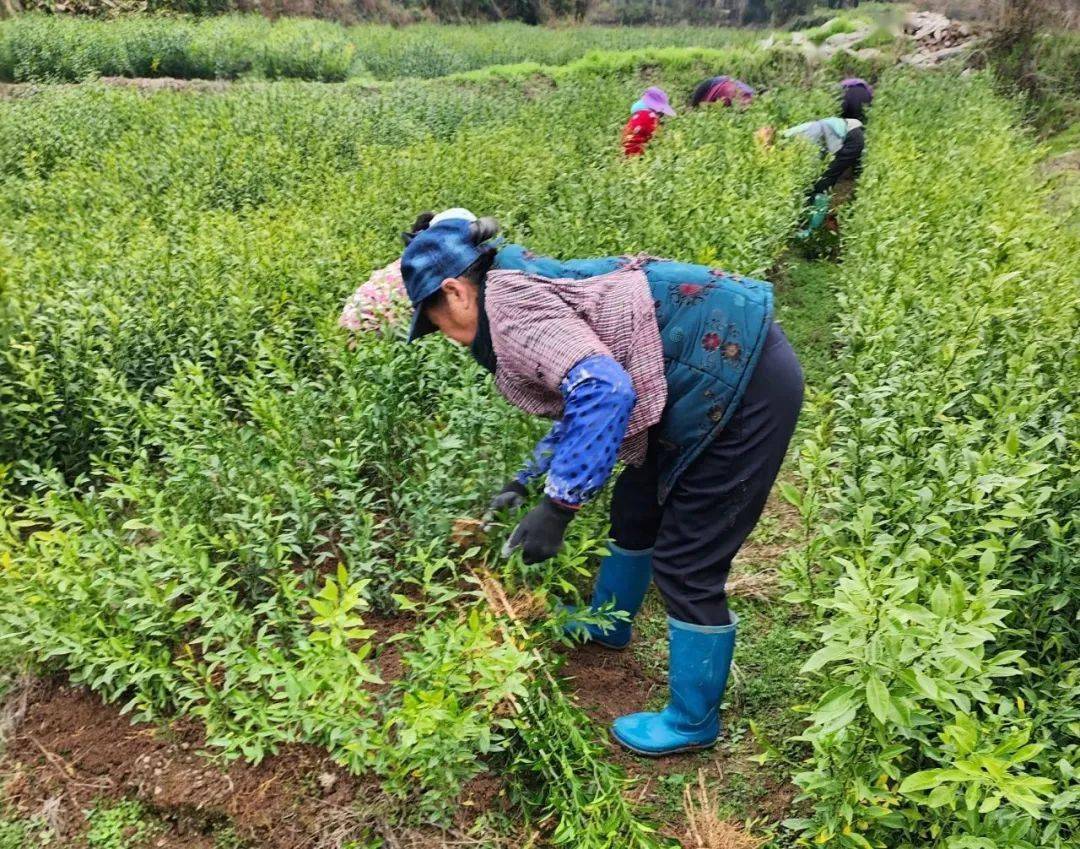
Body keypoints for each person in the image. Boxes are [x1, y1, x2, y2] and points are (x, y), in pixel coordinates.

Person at [398, 208, 804, 757]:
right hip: (706, 367)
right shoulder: (511, 287)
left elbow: (604, 390)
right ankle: (606, 623)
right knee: (636, 509)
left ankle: (692, 723)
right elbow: (580, 397)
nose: (446, 337)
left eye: (436, 321)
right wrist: (526, 480)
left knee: (689, 561)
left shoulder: (512, 313)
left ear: (456, 292)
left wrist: (559, 507)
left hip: (744, 383)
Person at [784, 116, 865, 197]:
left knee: (829, 174)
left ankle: (819, 205)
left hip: (853, 138)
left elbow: (814, 163)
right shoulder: (790, 133)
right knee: (826, 173)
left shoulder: (805, 139)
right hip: (849, 129)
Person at [622, 87, 675, 157]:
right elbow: (656, 136)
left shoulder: (636, 115)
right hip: (638, 151)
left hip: (625, 146)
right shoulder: (650, 117)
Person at [689, 75, 755, 109]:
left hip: (725, 80)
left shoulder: (752, 93)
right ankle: (691, 107)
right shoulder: (729, 96)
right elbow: (703, 104)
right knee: (695, 106)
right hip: (711, 84)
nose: (745, 104)